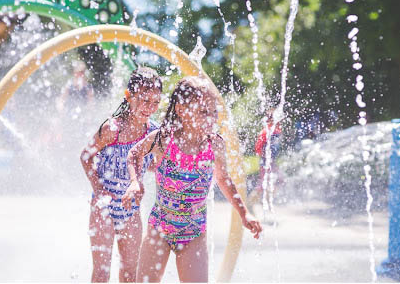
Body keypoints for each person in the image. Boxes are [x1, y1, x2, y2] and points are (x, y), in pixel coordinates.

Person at [122, 76, 262, 283]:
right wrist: (135, 182)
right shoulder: (164, 139)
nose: (211, 119)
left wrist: (244, 213)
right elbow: (134, 154)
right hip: (159, 228)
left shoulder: (215, 145)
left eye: (213, 112)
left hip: (194, 233)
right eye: (203, 112)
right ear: (180, 110)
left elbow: (224, 179)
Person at [80, 67, 162, 282]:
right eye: (145, 100)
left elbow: (155, 164)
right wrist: (98, 189)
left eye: (155, 102)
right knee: (101, 272)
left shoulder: (153, 132)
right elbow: (86, 156)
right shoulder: (112, 128)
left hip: (131, 209)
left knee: (130, 272)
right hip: (104, 207)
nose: (150, 108)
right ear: (129, 96)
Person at [252, 107, 283, 204]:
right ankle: (250, 204)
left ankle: (266, 200)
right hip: (266, 161)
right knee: (263, 184)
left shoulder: (277, 131)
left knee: (279, 180)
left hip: (271, 161)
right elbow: (257, 148)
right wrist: (265, 158)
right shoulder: (266, 131)